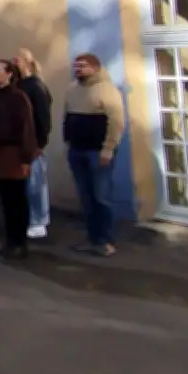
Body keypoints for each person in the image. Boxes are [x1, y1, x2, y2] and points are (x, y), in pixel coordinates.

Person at [64, 53, 125, 257]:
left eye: (82, 66)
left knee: (101, 197)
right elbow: (67, 116)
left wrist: (108, 148)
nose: (78, 69)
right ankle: (92, 238)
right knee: (86, 198)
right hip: (77, 150)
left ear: (95, 68)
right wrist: (68, 141)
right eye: (76, 66)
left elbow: (116, 122)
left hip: (98, 153)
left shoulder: (107, 90)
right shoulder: (72, 90)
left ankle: (106, 240)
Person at [0, 59, 39, 259]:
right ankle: (9, 240)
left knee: (17, 200)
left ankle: (20, 242)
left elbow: (26, 128)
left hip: (13, 153)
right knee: (5, 200)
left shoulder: (18, 97)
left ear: (9, 73)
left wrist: (26, 159)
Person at [14, 49, 53, 239]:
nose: (15, 64)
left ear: (28, 63)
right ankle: (27, 218)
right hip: (17, 143)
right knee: (23, 184)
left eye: (18, 61)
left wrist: (39, 143)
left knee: (35, 184)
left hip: (33, 144)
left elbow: (43, 118)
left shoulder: (36, 87)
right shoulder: (17, 85)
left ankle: (39, 221)